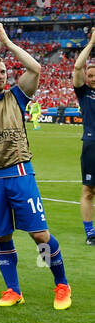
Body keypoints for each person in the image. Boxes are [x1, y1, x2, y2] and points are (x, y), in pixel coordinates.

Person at [0, 21, 71, 310]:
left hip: (19, 172)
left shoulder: (16, 96)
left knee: (39, 234)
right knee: (1, 234)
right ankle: (13, 289)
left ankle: (61, 284)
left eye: (3, 72)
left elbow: (36, 69)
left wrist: (8, 44)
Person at [73, 29, 95, 245]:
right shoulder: (84, 93)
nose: (93, 78)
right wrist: (91, 43)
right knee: (88, 190)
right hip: (92, 145)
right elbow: (78, 66)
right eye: (90, 76)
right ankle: (90, 233)